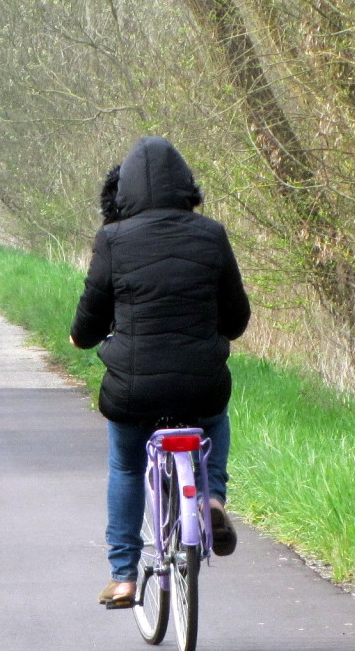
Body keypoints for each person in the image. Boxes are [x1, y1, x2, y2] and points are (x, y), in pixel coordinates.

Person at [70, 136, 251, 609]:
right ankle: (211, 500)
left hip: (133, 390)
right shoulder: (211, 235)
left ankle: (125, 577)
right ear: (187, 188)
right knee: (213, 417)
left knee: (127, 465)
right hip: (201, 383)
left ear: (123, 193)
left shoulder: (112, 239)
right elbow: (236, 318)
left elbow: (91, 318)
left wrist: (80, 338)